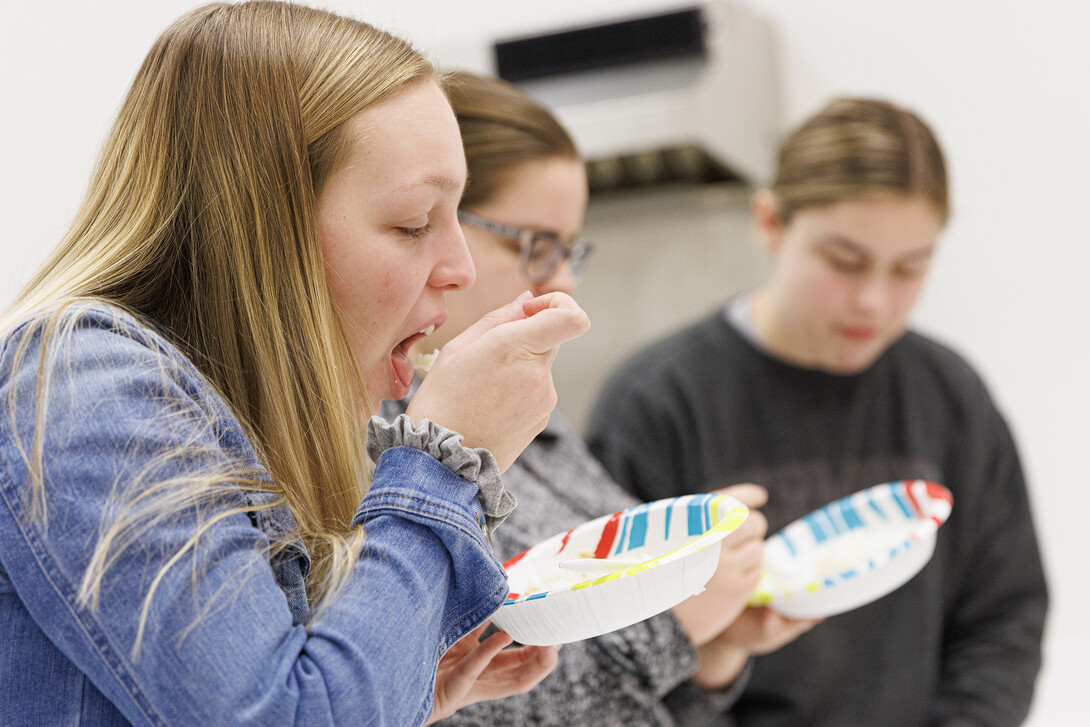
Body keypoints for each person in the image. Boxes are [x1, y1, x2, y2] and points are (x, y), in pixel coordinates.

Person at [0, 3, 592, 726]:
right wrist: (448, 459)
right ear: (263, 231)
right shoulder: (86, 385)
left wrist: (394, 686)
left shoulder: (234, 414)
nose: (459, 268)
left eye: (455, 218)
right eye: (413, 223)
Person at [587, 98, 1048, 726]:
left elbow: (1003, 617)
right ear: (771, 222)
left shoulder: (950, 394)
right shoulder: (658, 405)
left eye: (910, 269)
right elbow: (616, 665)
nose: (874, 301)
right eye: (844, 261)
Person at [387, 70, 815, 727]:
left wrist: (715, 647)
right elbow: (439, 695)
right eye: (533, 245)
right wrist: (675, 627)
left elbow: (647, 701)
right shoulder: (373, 446)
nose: (561, 282)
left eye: (567, 250)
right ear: (425, 225)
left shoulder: (542, 428)